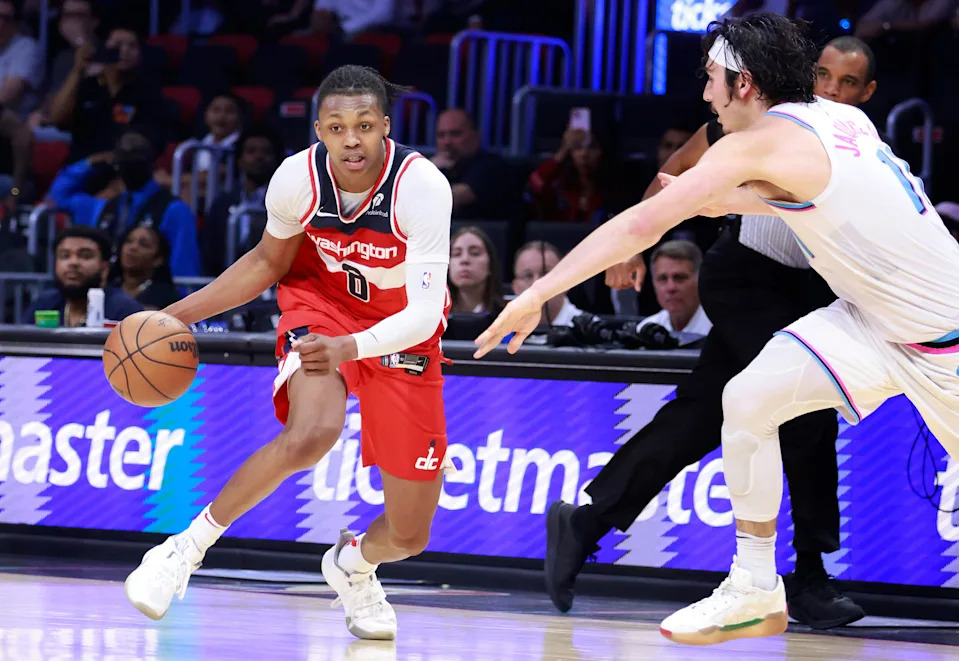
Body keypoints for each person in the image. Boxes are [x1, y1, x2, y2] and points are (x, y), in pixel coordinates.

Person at [474, 13, 959, 645]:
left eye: (711, 79)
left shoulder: (752, 144)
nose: (705, 94)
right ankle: (755, 586)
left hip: (942, 339)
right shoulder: (840, 119)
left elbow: (635, 227)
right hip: (870, 322)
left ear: (745, 83)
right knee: (747, 400)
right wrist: (727, 201)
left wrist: (538, 293)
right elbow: (818, 193)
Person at [542, 34, 881, 631]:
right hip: (748, 280)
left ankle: (588, 518)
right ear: (807, 73)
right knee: (805, 410)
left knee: (701, 414)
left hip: (810, 289)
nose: (832, 88)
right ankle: (808, 579)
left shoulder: (860, 143)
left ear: (867, 93)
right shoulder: (768, 125)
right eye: (824, 74)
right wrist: (634, 247)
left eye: (847, 82)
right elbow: (673, 174)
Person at [123, 65, 454, 642]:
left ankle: (353, 564)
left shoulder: (422, 187)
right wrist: (176, 317)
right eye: (337, 127)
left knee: (408, 535)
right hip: (321, 310)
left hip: (402, 333)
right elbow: (266, 264)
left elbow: (424, 315)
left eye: (365, 125)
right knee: (311, 433)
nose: (352, 139)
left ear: (386, 127)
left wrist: (352, 346)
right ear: (319, 131)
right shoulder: (295, 178)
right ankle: (182, 550)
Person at [26, 225, 142, 326]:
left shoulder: (125, 310)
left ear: (105, 268)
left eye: (85, 256)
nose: (73, 262)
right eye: (65, 256)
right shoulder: (44, 303)